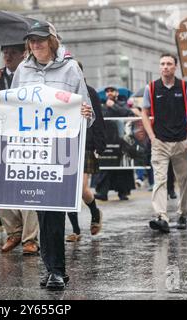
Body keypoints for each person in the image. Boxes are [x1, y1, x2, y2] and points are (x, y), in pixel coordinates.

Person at [0, 21, 94, 290]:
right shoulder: (23, 69)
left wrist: (85, 114)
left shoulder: (70, 68)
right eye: (32, 41)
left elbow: (86, 111)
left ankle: (57, 270)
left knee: (53, 209)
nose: (36, 44)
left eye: (41, 40)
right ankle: (50, 268)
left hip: (59, 148)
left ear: (52, 41)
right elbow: (14, 106)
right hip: (32, 149)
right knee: (42, 209)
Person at [0, 44, 40, 254]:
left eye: (12, 53)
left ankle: (30, 239)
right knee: (1, 187)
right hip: (2, 137)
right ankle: (13, 232)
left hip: (27, 137)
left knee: (28, 187)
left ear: (23, 54)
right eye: (5, 53)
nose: (7, 56)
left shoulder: (32, 75)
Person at [141, 53, 187, 234]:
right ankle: (161, 217)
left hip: (181, 142)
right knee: (160, 180)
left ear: (175, 67)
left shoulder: (185, 86)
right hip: (160, 142)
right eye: (162, 64)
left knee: (184, 180)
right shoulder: (151, 88)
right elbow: (144, 112)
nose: (165, 67)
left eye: (169, 64)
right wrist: (151, 136)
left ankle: (183, 215)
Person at [66, 61, 106, 242]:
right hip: (65, 144)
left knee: (81, 188)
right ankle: (75, 230)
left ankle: (95, 212)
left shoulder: (90, 92)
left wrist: (100, 144)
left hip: (86, 143)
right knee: (68, 188)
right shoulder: (61, 92)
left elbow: (98, 118)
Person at [94, 85, 137, 201]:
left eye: (112, 91)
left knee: (121, 168)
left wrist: (114, 106)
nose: (109, 93)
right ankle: (102, 192)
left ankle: (123, 192)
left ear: (116, 93)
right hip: (107, 142)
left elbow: (128, 114)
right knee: (105, 167)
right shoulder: (102, 105)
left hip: (120, 141)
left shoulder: (122, 104)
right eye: (107, 91)